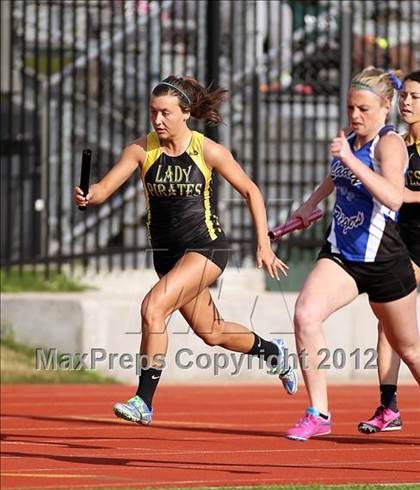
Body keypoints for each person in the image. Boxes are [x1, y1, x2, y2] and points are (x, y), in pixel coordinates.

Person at [74, 75, 297, 426]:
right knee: (212, 332)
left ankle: (143, 401)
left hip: (205, 249)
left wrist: (264, 246)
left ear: (185, 113)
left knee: (153, 307)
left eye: (165, 113)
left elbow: (252, 191)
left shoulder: (207, 150)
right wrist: (89, 195)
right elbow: (102, 189)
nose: (158, 120)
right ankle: (274, 352)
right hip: (167, 257)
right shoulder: (140, 150)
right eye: (153, 113)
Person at [283, 66, 420, 442]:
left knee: (409, 351)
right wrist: (309, 205)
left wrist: (351, 158)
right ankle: (319, 412)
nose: (355, 116)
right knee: (305, 314)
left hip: (385, 260)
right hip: (342, 254)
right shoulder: (351, 140)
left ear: (385, 108)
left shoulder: (389, 144)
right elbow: (335, 176)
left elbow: (393, 197)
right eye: (349, 108)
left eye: (363, 109)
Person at [358, 70, 420, 434]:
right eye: (405, 95)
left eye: (415, 96)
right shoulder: (395, 144)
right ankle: (388, 405)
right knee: (388, 323)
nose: (407, 102)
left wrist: (405, 196)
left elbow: (397, 194)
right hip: (402, 242)